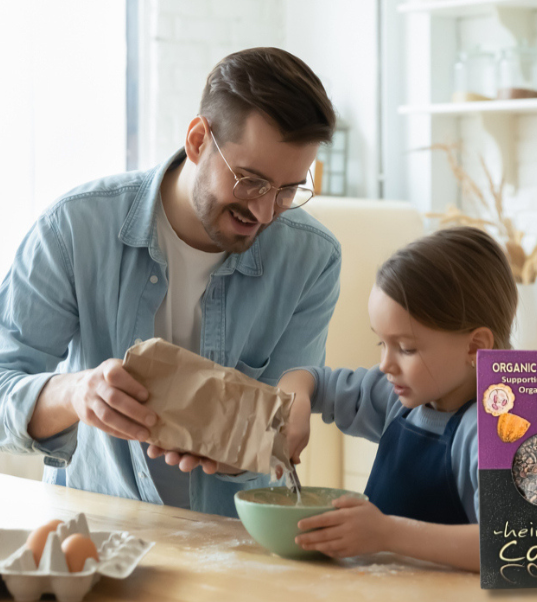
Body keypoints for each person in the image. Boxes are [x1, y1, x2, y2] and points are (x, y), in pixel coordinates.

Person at [0, 47, 340, 518]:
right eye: (250, 181)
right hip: (96, 532)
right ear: (199, 140)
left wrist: (269, 432)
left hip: (234, 542)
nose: (265, 212)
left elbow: (279, 421)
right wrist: (76, 393)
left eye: (288, 190)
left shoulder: (313, 258)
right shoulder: (75, 228)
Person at [277, 227, 518, 571]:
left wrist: (388, 534)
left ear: (475, 347)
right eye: (382, 343)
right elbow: (308, 379)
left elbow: (509, 544)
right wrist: (295, 404)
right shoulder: (399, 394)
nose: (385, 364)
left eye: (406, 348)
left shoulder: (494, 434)